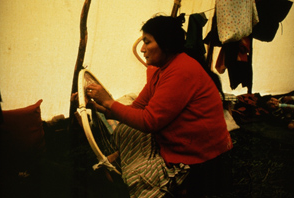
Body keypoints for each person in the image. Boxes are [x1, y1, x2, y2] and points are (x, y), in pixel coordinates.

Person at [85, 14, 233, 198]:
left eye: (147, 42)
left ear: (166, 44)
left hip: (199, 153)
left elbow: (149, 121)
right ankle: (129, 167)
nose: (142, 49)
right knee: (125, 131)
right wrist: (97, 106)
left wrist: (108, 101)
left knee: (143, 175)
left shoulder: (182, 71)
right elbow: (137, 108)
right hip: (179, 138)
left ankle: (175, 183)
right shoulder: (162, 70)